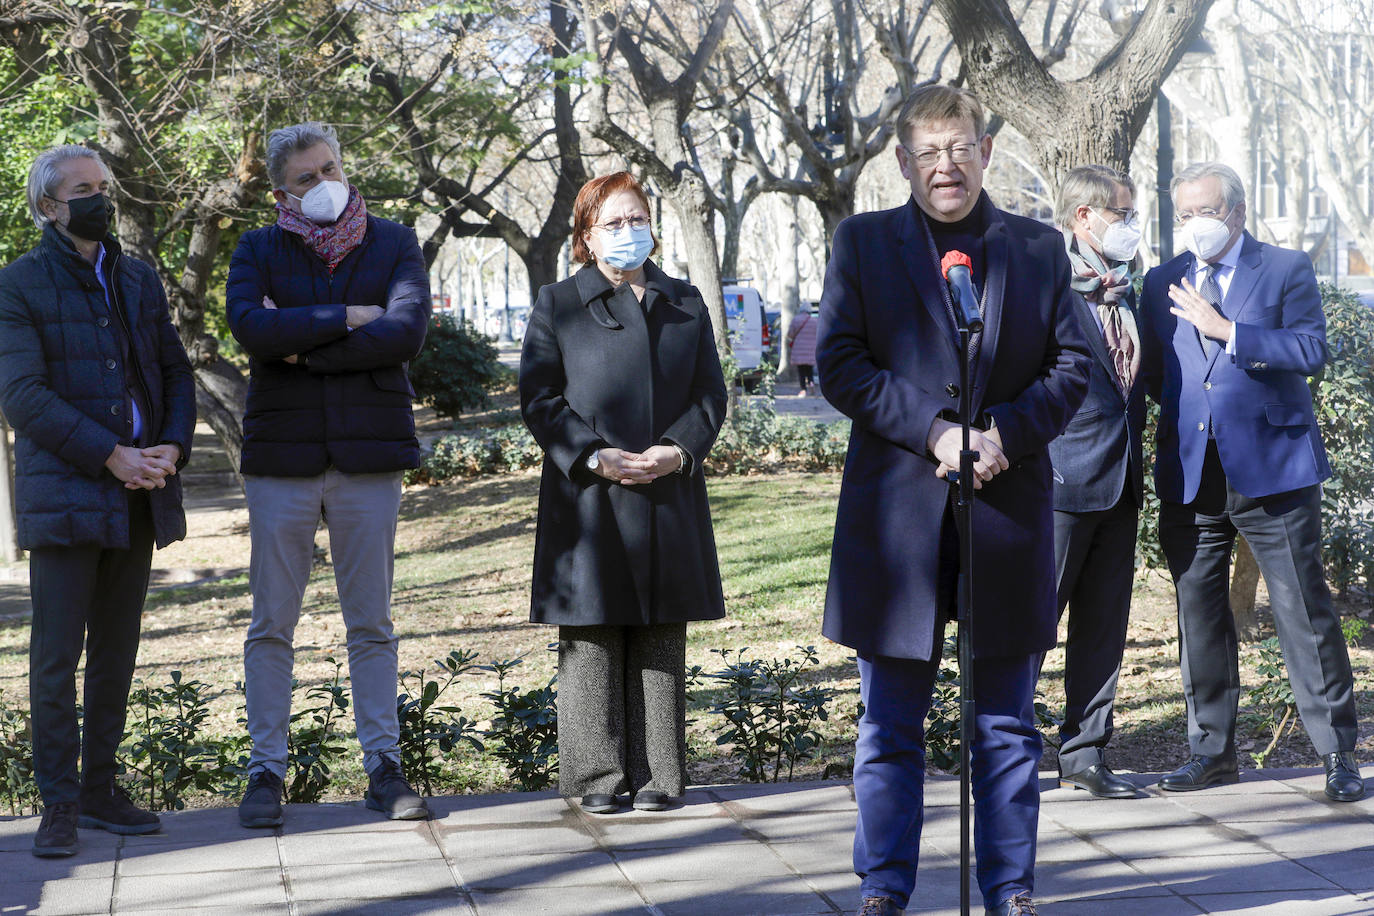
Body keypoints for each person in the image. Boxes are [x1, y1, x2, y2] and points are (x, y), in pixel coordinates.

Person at [817, 85, 1091, 916]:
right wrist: (935, 431)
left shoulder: (1037, 249)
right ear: (902, 161)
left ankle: (1010, 887)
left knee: (1006, 724)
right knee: (889, 725)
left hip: (1005, 515)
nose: (947, 167)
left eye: (961, 149)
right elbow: (840, 362)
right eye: (929, 153)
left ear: (987, 153)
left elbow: (1074, 367)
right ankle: (884, 887)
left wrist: (1004, 431)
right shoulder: (863, 244)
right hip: (896, 522)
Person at [225, 122, 431, 827]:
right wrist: (345, 315)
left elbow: (405, 331)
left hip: (368, 457)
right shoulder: (256, 247)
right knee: (271, 623)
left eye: (330, 168)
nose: (323, 184)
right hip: (282, 458)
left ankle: (384, 766)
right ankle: (264, 772)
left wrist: (304, 347)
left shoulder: (395, 241)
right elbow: (251, 329)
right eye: (306, 178)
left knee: (370, 621)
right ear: (281, 189)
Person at [1138, 161, 1363, 802]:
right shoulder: (1162, 281)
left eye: (1203, 212)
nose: (1192, 225)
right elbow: (1158, 376)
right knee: (1199, 616)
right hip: (1192, 473)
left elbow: (1311, 350)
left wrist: (1230, 332)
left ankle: (1337, 754)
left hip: (1275, 471)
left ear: (1235, 212)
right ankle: (1210, 753)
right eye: (1182, 214)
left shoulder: (1284, 267)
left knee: (1303, 612)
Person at [0, 145, 195, 857]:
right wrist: (111, 454)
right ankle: (58, 805)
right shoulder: (17, 284)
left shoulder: (138, 278)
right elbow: (21, 396)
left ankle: (102, 789)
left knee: (117, 648)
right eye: (83, 189)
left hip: (141, 493)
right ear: (50, 206)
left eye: (103, 187)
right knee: (56, 658)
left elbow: (174, 371)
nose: (100, 198)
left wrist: (170, 448)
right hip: (68, 494)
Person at [519, 171, 727, 814]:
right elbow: (539, 398)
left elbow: (710, 395)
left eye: (636, 219)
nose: (627, 232)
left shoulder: (685, 301)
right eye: (612, 222)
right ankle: (595, 778)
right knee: (592, 632)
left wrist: (679, 449)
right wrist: (592, 454)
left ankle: (660, 774)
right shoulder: (558, 303)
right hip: (589, 497)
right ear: (585, 234)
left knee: (662, 631)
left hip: (666, 489)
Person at [1046, 165, 1147, 800]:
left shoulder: (1124, 289)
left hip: (1121, 481)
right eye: (1122, 215)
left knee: (1103, 627)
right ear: (1084, 217)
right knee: (1031, 621)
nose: (1131, 228)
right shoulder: (1044, 282)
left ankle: (1085, 753)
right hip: (1057, 481)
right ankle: (997, 749)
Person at [787, 304, 818, 396]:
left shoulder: (796, 320)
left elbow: (790, 334)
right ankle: (811, 384)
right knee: (809, 370)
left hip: (799, 349)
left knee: (801, 371)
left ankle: (803, 390)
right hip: (811, 350)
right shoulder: (814, 321)